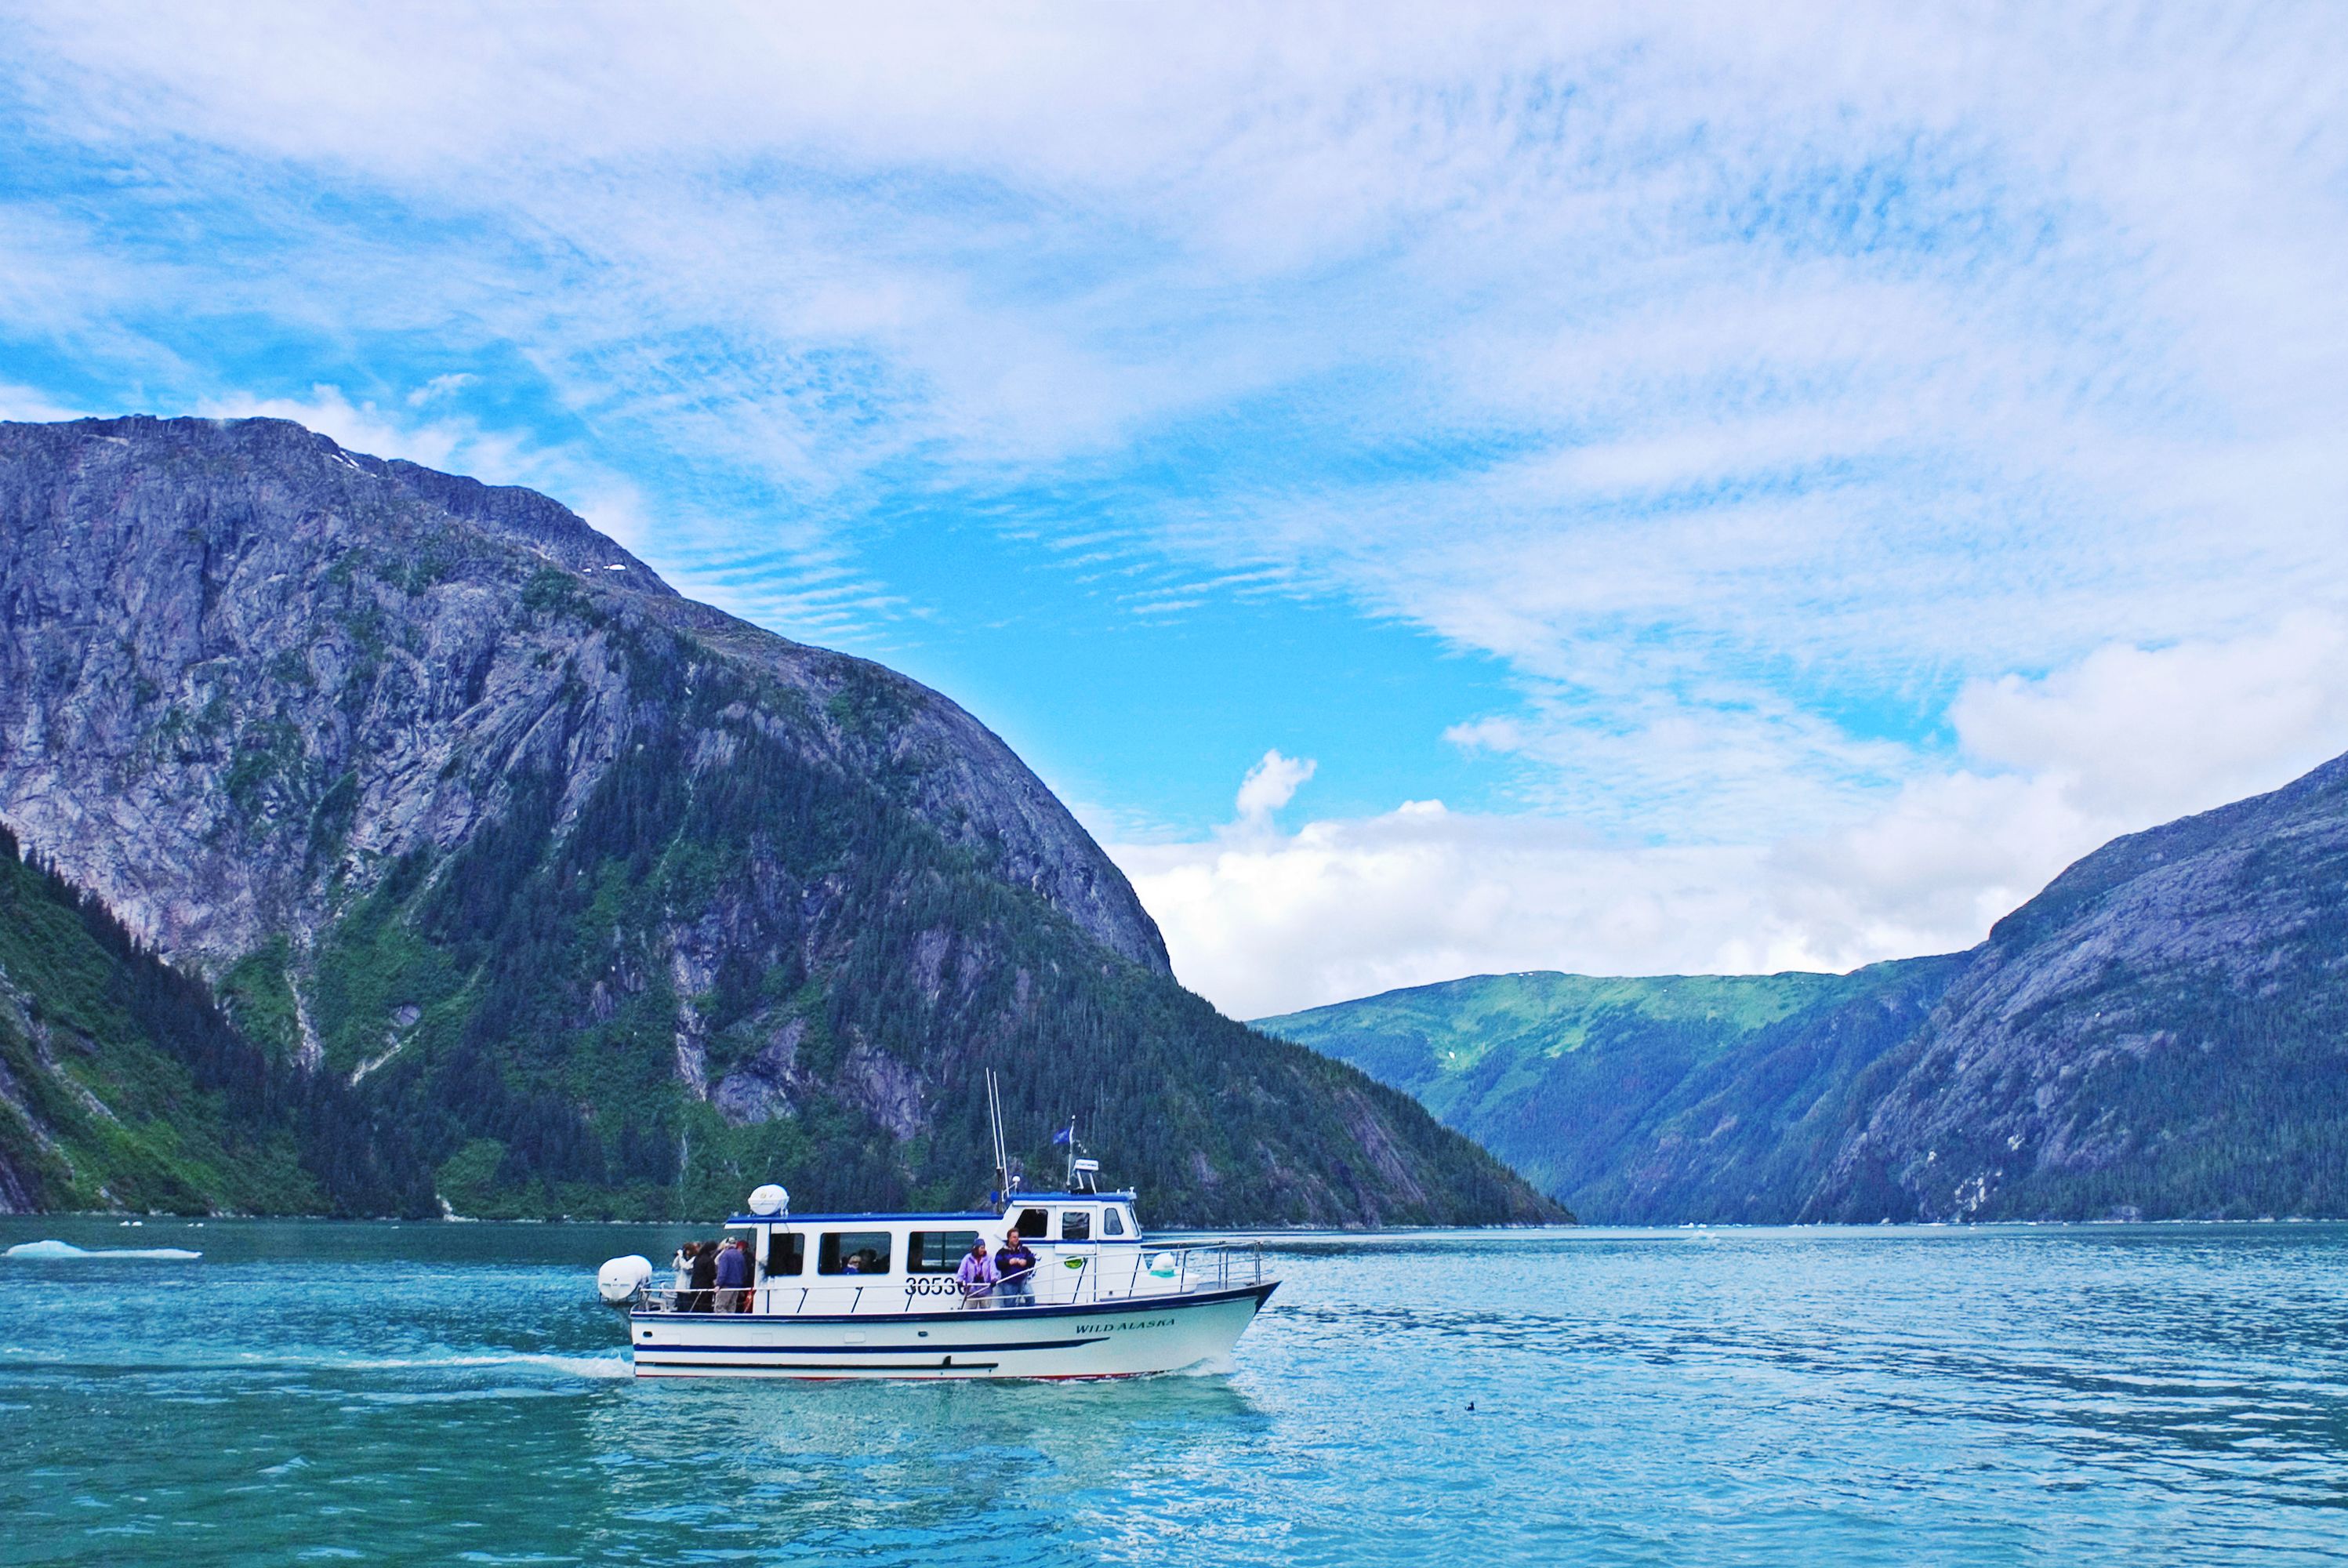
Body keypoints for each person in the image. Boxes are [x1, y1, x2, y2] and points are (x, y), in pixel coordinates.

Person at [994, 1230, 1037, 1308]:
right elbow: (998, 1264)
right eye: (1014, 1237)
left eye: (1017, 1237)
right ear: (1009, 1238)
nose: (1016, 1239)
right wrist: (1009, 1262)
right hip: (1008, 1282)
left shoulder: (1024, 1250)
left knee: (1030, 1297)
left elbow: (1033, 1260)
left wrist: (1026, 1262)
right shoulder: (1002, 1252)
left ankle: (1030, 1316)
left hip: (1023, 1280)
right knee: (1009, 1304)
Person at [956, 1235, 997, 1307]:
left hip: (986, 1290)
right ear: (976, 1248)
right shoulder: (968, 1258)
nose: (983, 1250)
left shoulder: (989, 1258)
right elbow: (962, 1271)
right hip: (971, 1291)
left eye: (984, 1248)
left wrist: (994, 1279)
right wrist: (959, 1281)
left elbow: (993, 1270)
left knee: (986, 1312)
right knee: (969, 1311)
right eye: (981, 1248)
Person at [714, 1236, 751, 1313]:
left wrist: (718, 1284)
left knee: (720, 1307)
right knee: (731, 1307)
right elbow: (744, 1272)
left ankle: (724, 1323)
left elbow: (722, 1272)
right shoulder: (740, 1255)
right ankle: (732, 1323)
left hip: (726, 1285)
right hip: (737, 1286)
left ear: (726, 1245)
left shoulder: (725, 1255)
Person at [686, 1240, 718, 1313]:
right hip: (705, 1287)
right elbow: (711, 1275)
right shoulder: (709, 1260)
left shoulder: (697, 1258)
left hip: (694, 1285)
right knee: (705, 1306)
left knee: (696, 1306)